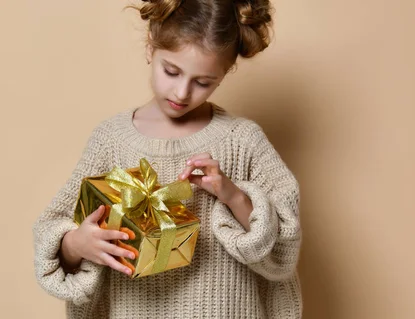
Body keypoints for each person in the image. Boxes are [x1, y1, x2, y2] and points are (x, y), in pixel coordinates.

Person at [32, 0, 302, 318]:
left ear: (225, 73)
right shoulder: (111, 141)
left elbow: (284, 251)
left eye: (203, 82)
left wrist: (232, 195)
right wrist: (77, 244)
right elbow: (53, 233)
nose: (182, 93)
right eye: (171, 71)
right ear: (151, 48)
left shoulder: (243, 141)